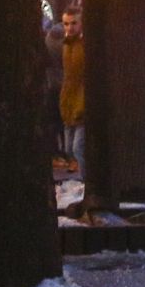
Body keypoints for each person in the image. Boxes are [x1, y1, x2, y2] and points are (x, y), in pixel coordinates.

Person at [59, 9, 85, 170]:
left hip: (81, 101)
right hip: (69, 100)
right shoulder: (66, 45)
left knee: (77, 147)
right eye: (66, 24)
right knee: (69, 148)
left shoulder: (83, 45)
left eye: (74, 23)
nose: (69, 28)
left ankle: (88, 182)